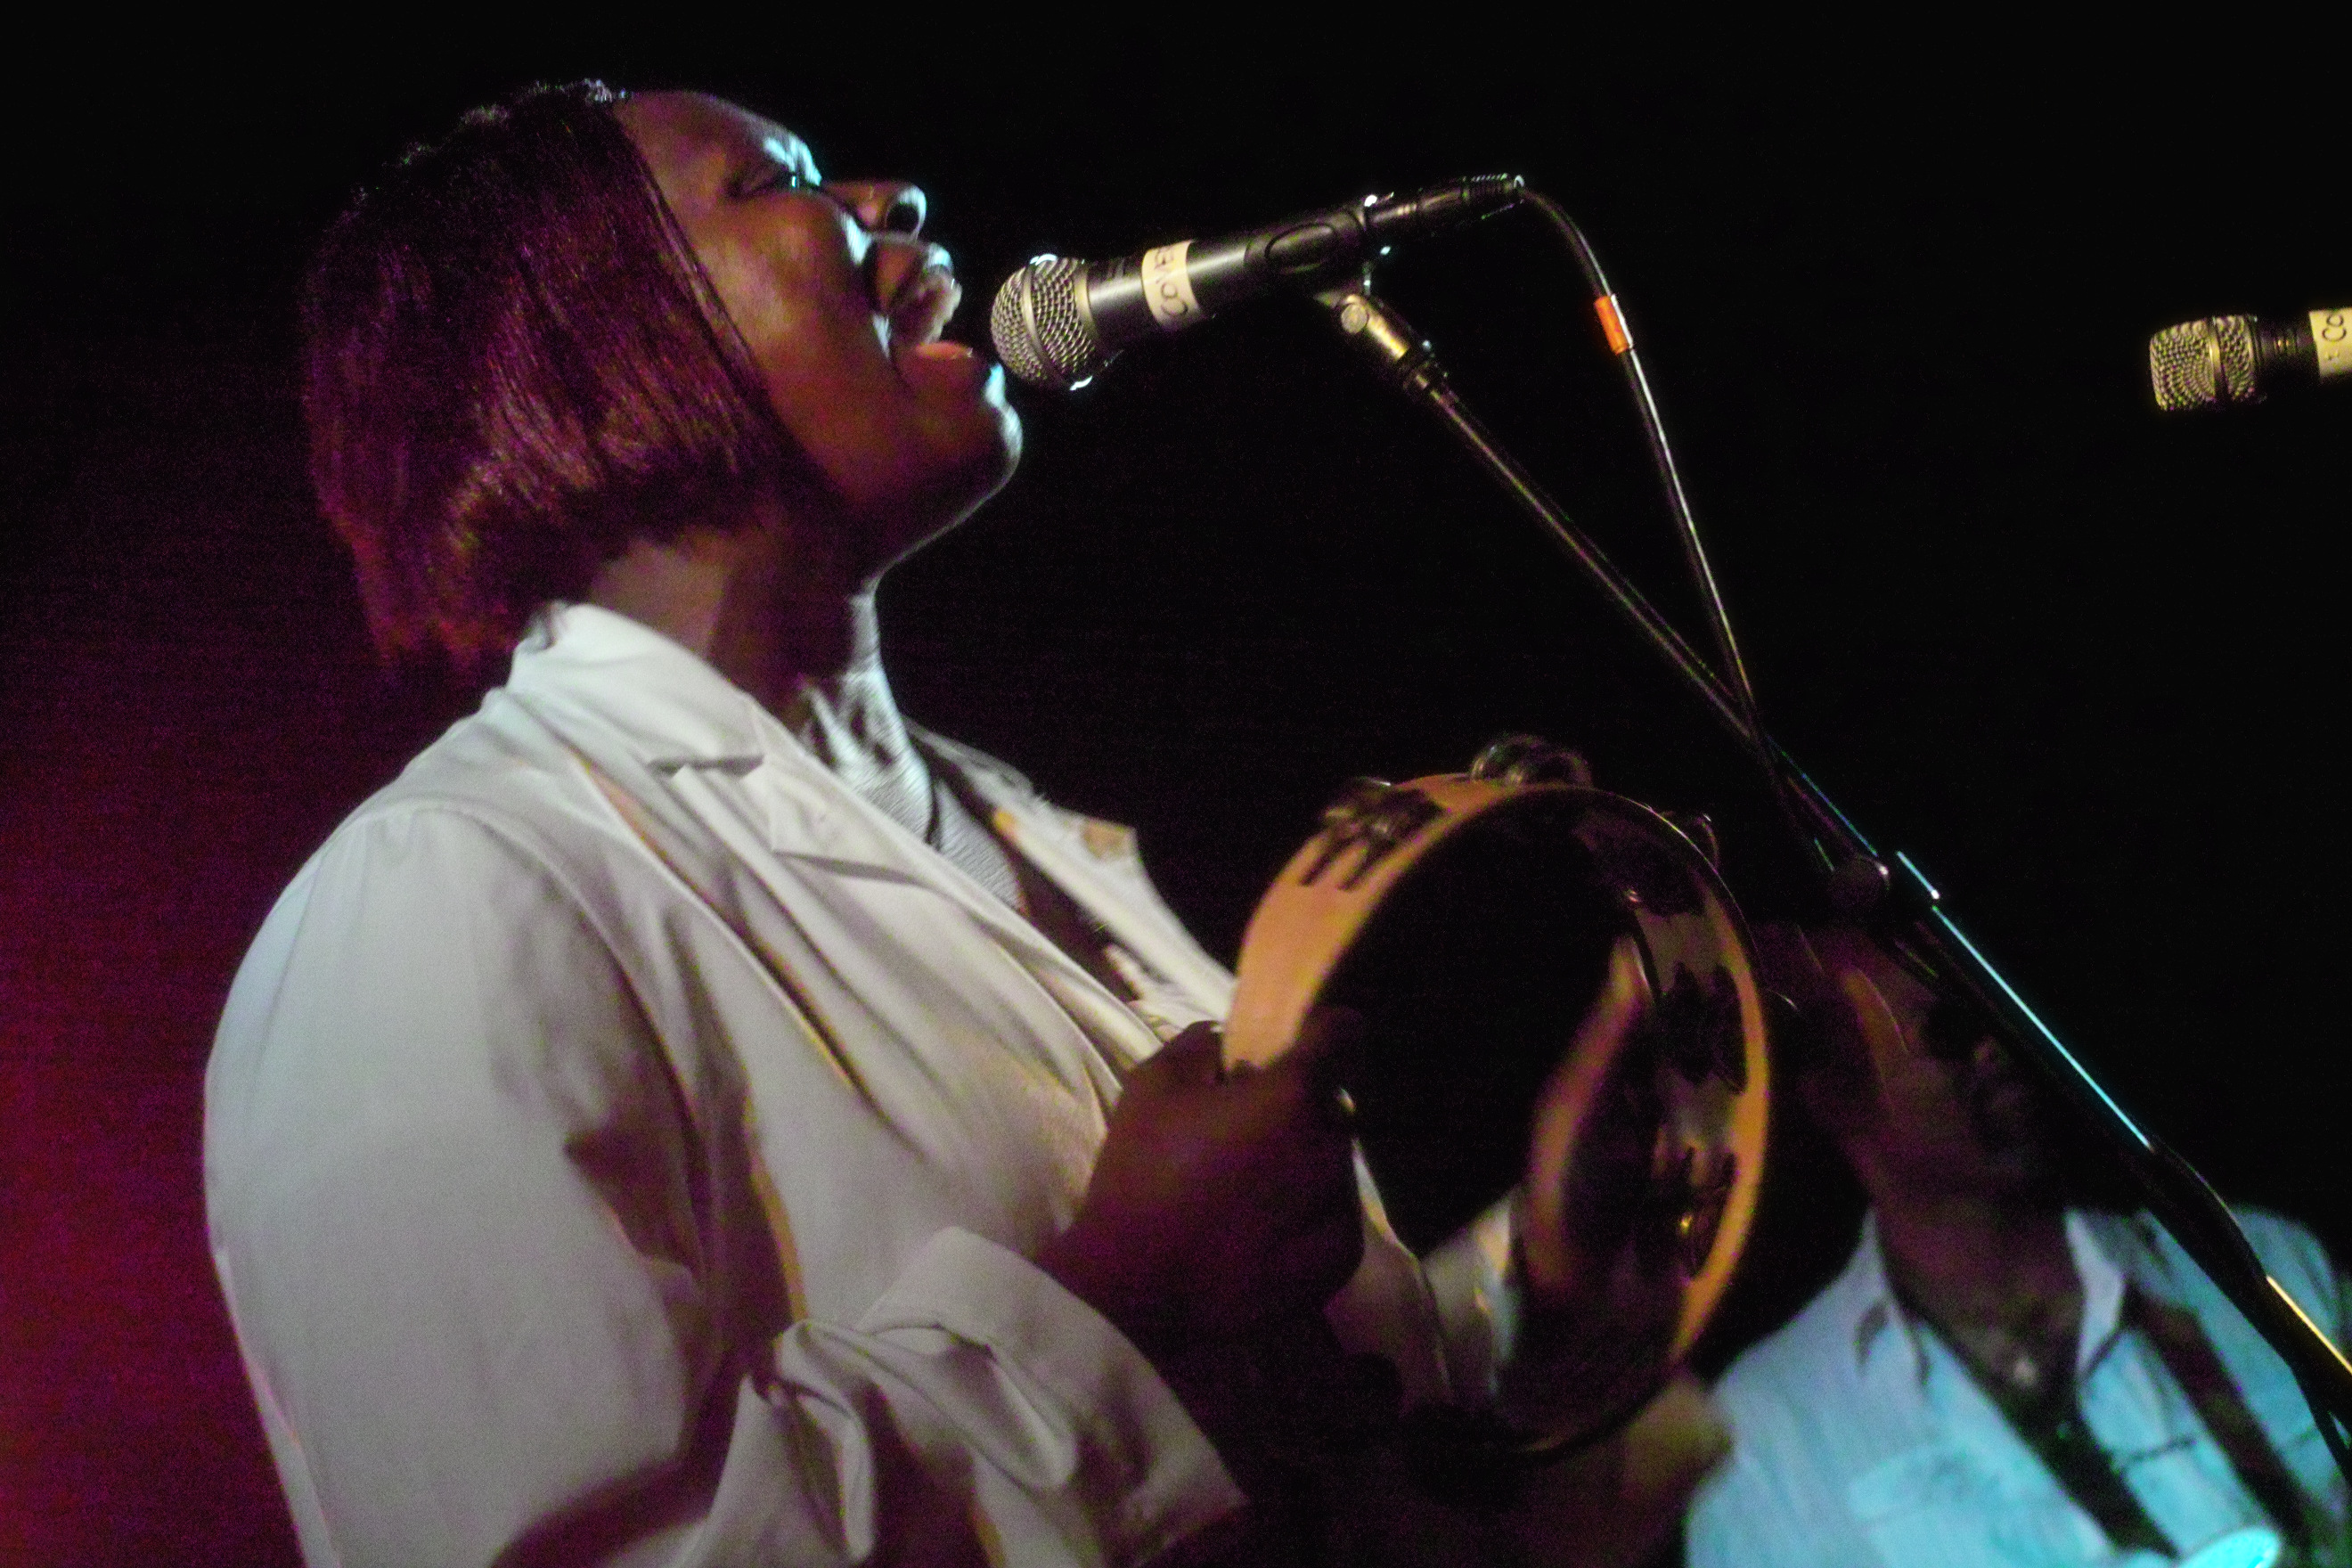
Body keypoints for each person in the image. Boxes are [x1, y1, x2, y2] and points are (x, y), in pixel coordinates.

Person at [205, 81, 1722, 1566]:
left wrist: (1550, 1275)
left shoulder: (1017, 827)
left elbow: (1321, 1470)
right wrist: (1129, 1304)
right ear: (581, 345)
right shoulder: (438, 897)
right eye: (778, 182)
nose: (891, 201)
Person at [1686, 924, 2349, 1568]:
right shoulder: (1769, 1437)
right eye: (1949, 1030)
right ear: (1833, 1092)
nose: (1997, 1046)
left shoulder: (2258, 1262)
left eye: (2000, 1009)